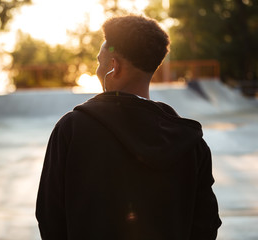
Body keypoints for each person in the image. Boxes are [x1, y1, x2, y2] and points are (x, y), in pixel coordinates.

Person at [36, 15, 221, 240]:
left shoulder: (71, 130)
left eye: (99, 62)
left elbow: (49, 218)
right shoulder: (191, 144)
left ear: (113, 67)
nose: (96, 70)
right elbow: (206, 225)